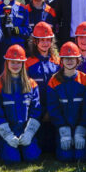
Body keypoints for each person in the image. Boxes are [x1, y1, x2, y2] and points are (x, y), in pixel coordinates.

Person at [0, 45, 43, 164]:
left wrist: (29, 133)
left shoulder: (32, 84)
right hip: (7, 133)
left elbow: (36, 111)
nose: (15, 65)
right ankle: (1, 146)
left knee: (32, 157)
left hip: (25, 132)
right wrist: (8, 135)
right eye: (12, 62)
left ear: (24, 64)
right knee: (12, 159)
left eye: (18, 62)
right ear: (7, 63)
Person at [47, 42, 86, 162]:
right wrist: (63, 128)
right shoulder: (54, 81)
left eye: (72, 58)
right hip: (63, 128)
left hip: (80, 128)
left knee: (80, 157)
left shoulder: (85, 79)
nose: (69, 61)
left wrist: (82, 129)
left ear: (78, 60)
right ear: (61, 60)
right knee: (65, 157)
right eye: (66, 58)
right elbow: (53, 108)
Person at [25, 22, 60, 153]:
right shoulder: (28, 63)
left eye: (48, 40)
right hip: (35, 110)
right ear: (35, 41)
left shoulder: (57, 62)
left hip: (53, 108)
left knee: (52, 147)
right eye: (42, 40)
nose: (45, 43)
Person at [0, 0, 31, 64]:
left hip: (18, 46)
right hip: (2, 47)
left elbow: (28, 30)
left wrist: (16, 30)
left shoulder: (23, 8)